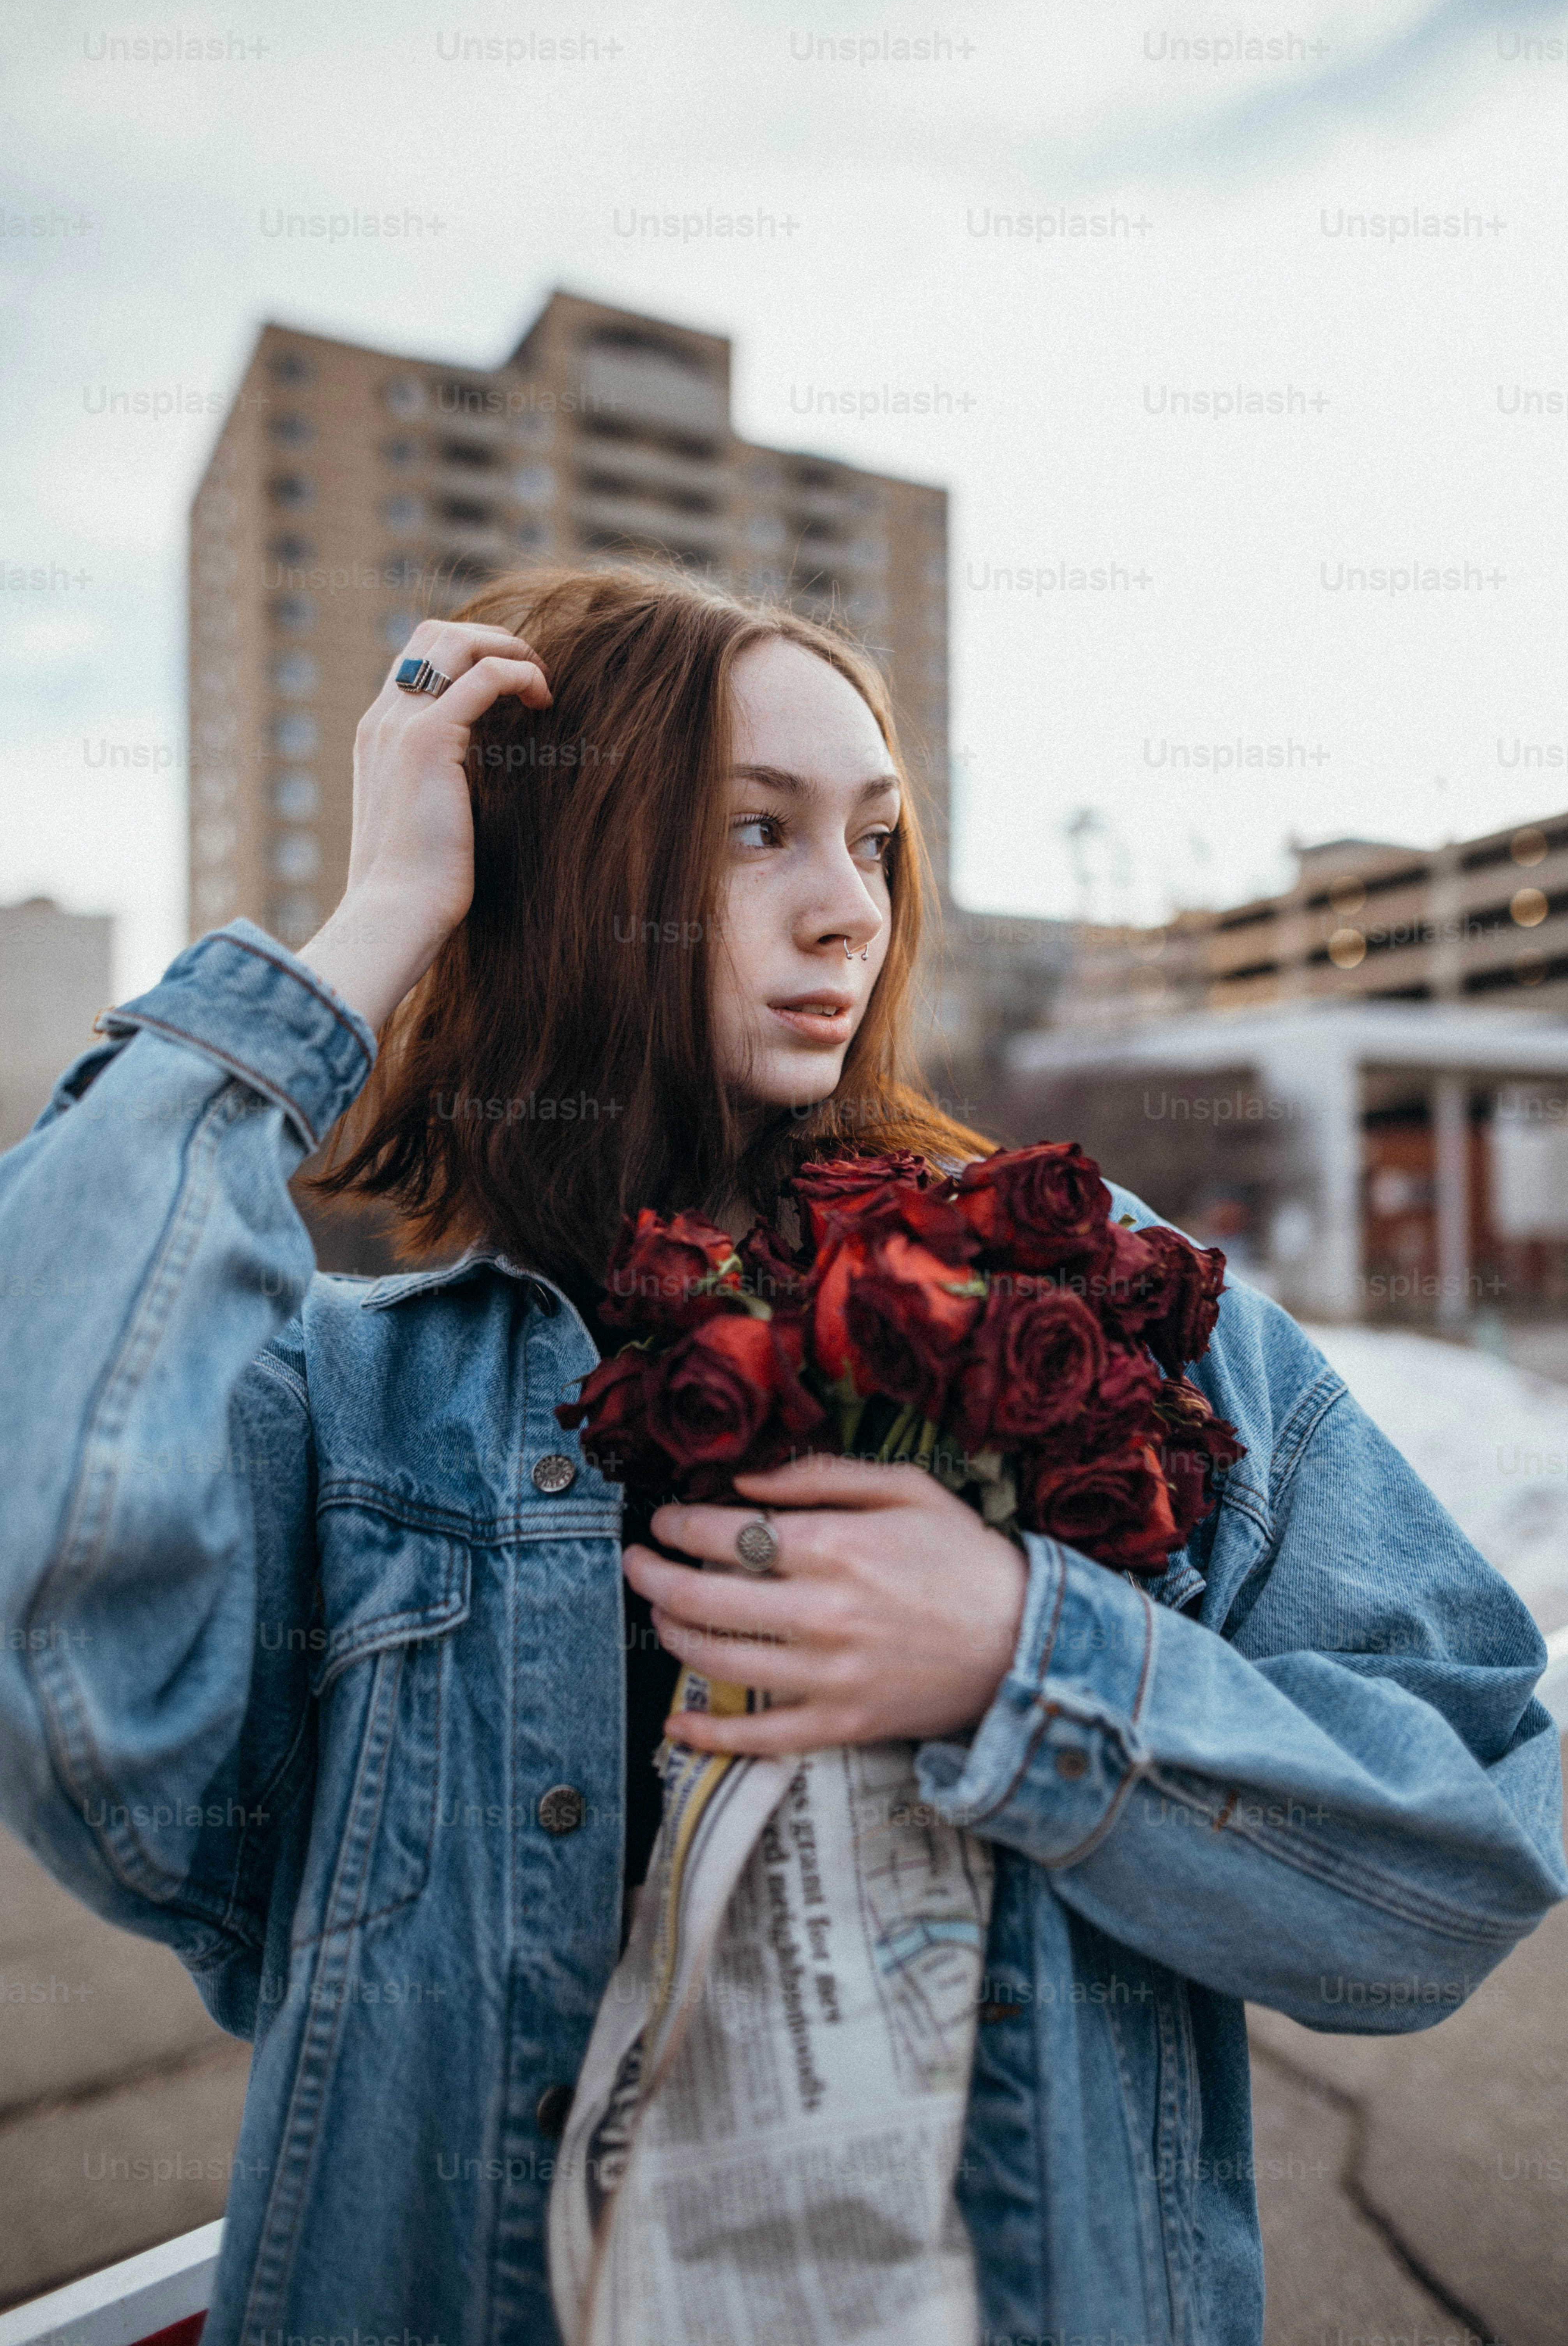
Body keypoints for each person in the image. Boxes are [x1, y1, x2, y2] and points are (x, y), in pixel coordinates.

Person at [0, 564, 1562, 2346]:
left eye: (876, 843)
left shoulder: (1107, 1299)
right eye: (757, 833)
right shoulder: (353, 1396)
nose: (850, 916)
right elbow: (51, 1617)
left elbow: (1467, 1852)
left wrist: (1025, 1661)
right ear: (558, 876)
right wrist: (377, 922)